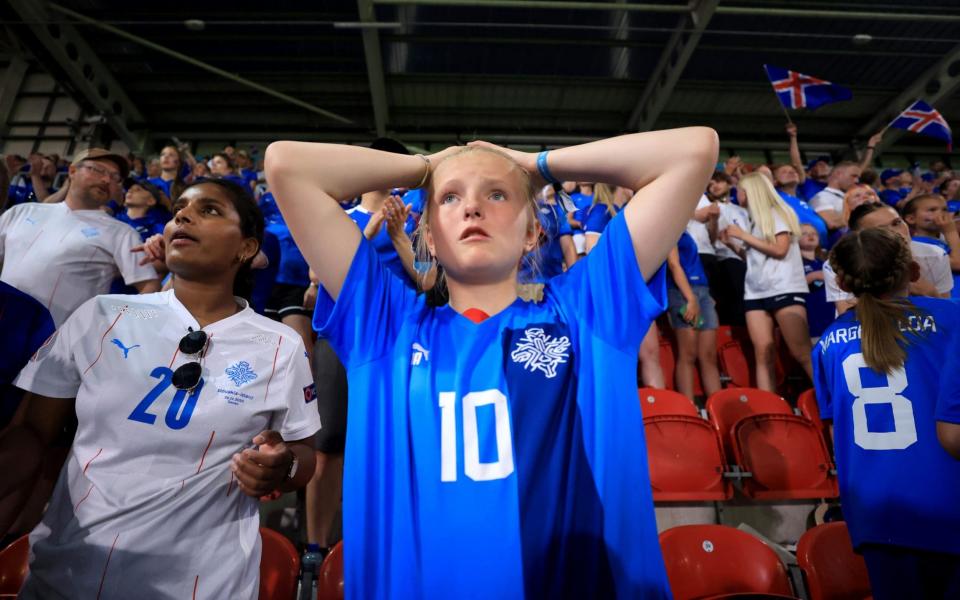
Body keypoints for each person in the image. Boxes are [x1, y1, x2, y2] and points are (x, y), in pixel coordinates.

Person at [265, 126, 718, 597]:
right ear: (430, 240)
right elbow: (286, 164)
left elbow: (693, 150)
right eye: (450, 199)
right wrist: (428, 166)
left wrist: (535, 164)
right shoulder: (386, 326)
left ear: (532, 233)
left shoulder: (588, 313)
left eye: (497, 195)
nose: (473, 207)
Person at [0, 178, 321, 598]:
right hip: (70, 574)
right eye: (179, 210)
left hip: (203, 582)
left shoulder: (279, 344)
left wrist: (282, 467)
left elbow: (304, 456)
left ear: (245, 248)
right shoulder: (101, 315)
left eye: (209, 210)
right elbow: (31, 435)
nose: (183, 216)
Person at [812, 227, 960, 600]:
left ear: (842, 281)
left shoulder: (827, 342)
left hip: (874, 513)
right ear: (913, 271)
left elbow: (836, 436)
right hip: (946, 499)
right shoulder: (951, 319)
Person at [0, 148, 160, 326]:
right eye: (98, 170)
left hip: (58, 346)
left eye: (115, 177)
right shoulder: (20, 212)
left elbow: (149, 286)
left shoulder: (121, 233)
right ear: (72, 171)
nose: (107, 179)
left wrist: (115, 325)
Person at [722, 172, 813, 392]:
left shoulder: (776, 213)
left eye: (740, 191)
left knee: (801, 352)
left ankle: (832, 401)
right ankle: (771, 406)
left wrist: (743, 236)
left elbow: (780, 250)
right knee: (763, 352)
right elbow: (756, 259)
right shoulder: (754, 221)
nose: (738, 196)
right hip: (755, 292)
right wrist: (734, 246)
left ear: (750, 192)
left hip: (784, 288)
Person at [666, 231, 721, 400]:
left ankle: (717, 406)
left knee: (709, 356)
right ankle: (689, 408)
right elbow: (674, 265)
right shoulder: (669, 229)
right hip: (682, 293)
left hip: (702, 291)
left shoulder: (684, 230)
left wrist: (706, 295)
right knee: (688, 354)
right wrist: (690, 298)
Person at [902, 193, 957, 298]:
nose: (941, 214)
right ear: (911, 219)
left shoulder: (941, 239)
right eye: (932, 210)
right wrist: (951, 231)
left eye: (944, 209)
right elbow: (957, 263)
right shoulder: (917, 244)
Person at [798, 224, 833, 343]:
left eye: (814, 233)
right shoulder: (795, 263)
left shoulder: (825, 262)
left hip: (831, 316)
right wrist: (812, 277)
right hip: (813, 321)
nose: (811, 235)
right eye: (804, 233)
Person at [809, 161, 862, 231]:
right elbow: (832, 222)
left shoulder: (848, 197)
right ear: (838, 174)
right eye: (853, 176)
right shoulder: (822, 197)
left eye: (858, 177)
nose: (857, 181)